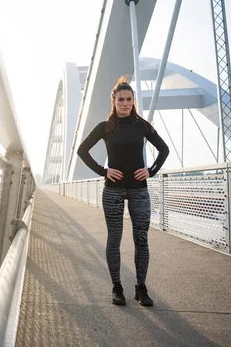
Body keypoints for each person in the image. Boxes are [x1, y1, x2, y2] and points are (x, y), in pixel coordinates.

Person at [77, 76, 169, 306]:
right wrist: (103, 171)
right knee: (114, 239)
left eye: (129, 99)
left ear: (133, 101)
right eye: (121, 99)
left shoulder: (142, 126)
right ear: (114, 101)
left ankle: (141, 288)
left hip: (139, 190)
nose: (125, 103)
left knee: (141, 240)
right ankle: (117, 286)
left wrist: (151, 170)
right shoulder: (105, 127)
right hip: (113, 192)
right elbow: (82, 150)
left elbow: (164, 150)